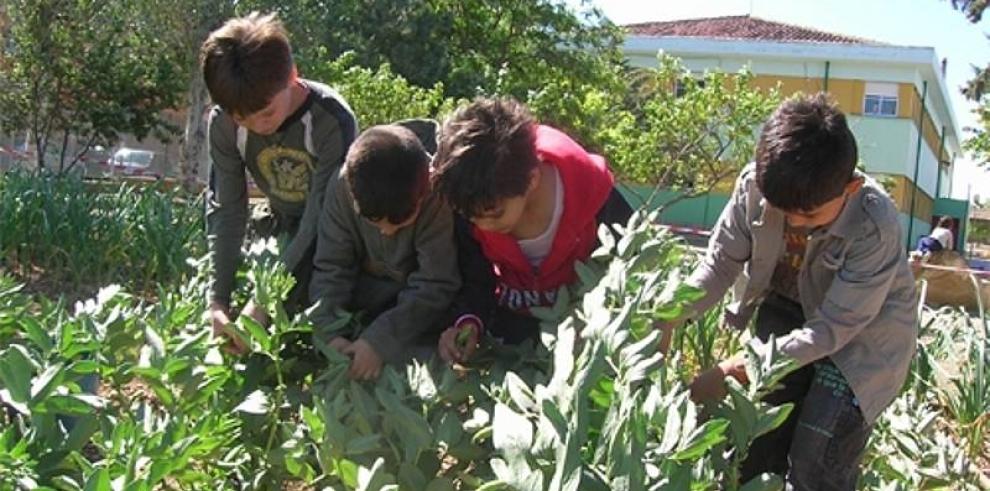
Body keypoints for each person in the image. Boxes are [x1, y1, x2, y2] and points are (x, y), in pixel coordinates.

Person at [665, 93, 917, 490]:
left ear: (849, 189)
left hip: (861, 343)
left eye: (810, 213)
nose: (793, 222)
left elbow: (833, 328)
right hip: (785, 310)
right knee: (755, 441)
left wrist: (737, 368)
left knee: (817, 456)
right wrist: (669, 314)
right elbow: (719, 265)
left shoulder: (875, 224)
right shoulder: (755, 186)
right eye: (780, 208)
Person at [200, 12, 357, 353]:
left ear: (292, 76)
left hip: (335, 232)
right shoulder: (224, 123)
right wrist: (218, 301)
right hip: (281, 227)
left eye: (267, 112)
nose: (257, 126)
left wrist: (262, 302)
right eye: (242, 117)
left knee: (323, 329)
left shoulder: (331, 120)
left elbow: (321, 219)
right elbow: (227, 210)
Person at [431, 97, 632, 363]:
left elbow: (634, 277)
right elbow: (475, 278)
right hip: (510, 344)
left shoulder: (595, 197)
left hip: (585, 347)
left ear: (531, 181)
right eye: (470, 217)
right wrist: (468, 321)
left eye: (494, 215)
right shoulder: (472, 194)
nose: (482, 226)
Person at [309, 121, 460, 380]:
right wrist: (329, 334)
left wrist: (379, 341)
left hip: (421, 311)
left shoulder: (436, 193)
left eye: (400, 222)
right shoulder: (342, 187)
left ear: (422, 195)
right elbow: (332, 266)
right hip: (366, 298)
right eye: (373, 222)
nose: (387, 231)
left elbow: (436, 282)